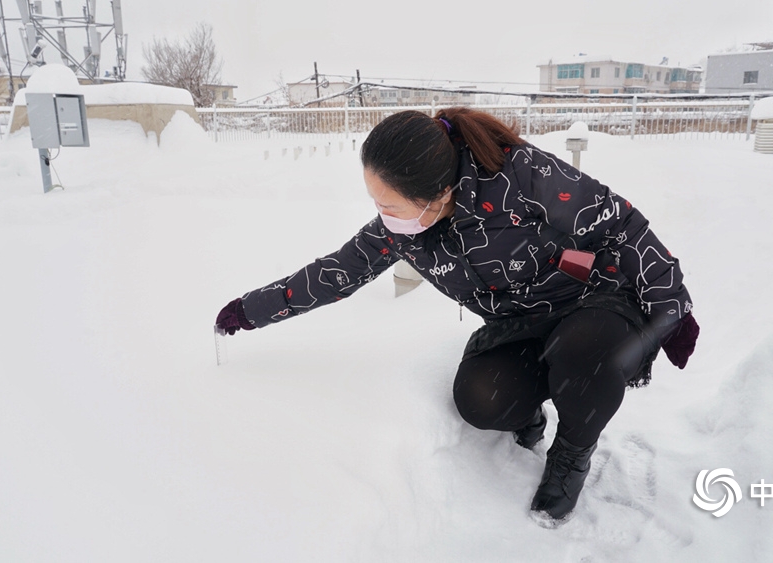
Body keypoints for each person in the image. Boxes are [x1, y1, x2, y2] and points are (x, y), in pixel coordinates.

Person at [216, 107, 699, 528]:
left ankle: (571, 456)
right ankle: (533, 403)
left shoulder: (522, 177)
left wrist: (671, 309)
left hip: (594, 305)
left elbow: (622, 227)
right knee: (481, 401)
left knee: (583, 357)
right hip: (519, 323)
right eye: (374, 202)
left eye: (388, 203)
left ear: (439, 193)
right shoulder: (403, 228)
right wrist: (251, 310)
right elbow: (337, 271)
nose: (381, 214)